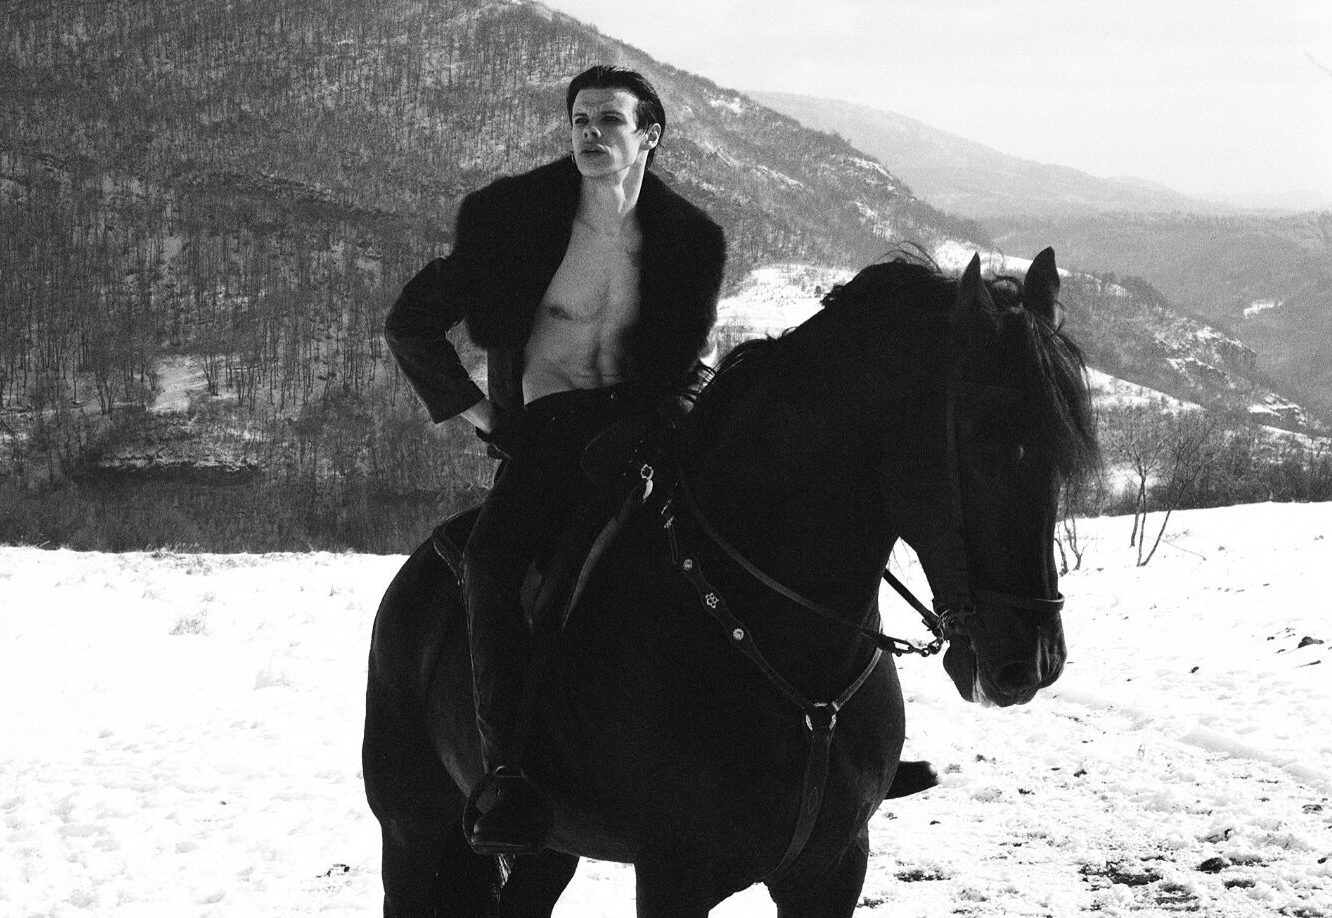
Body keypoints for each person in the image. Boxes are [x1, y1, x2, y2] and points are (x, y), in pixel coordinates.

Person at [384, 65, 726, 853]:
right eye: (579, 119)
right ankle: (506, 774)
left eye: (609, 119)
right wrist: (486, 417)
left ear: (650, 135)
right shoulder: (516, 220)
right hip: (548, 433)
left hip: (648, 427)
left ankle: (820, 741)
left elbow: (683, 356)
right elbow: (410, 323)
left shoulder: (688, 240)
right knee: (491, 564)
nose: (590, 132)